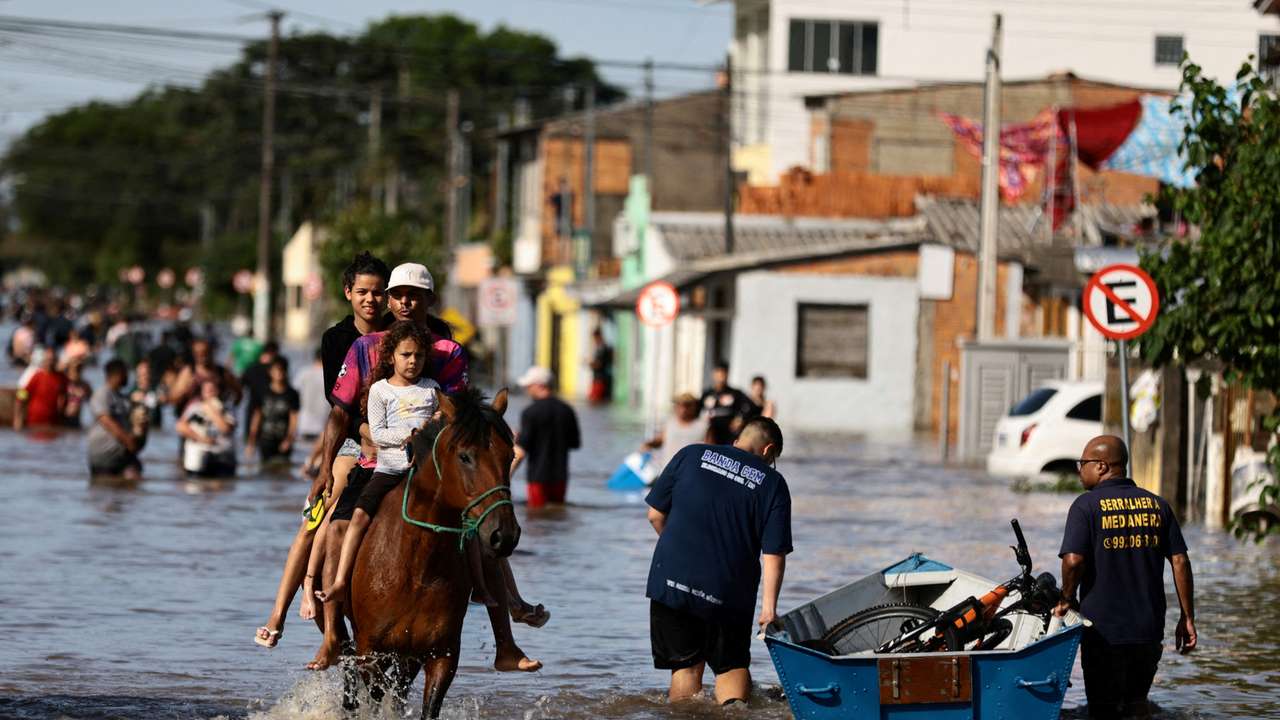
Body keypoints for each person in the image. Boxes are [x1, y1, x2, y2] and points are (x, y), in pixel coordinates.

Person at [301, 262, 544, 672]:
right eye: (398, 295)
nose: (405, 302)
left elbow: (456, 410)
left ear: (429, 300)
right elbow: (340, 412)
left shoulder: (448, 348)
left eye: (414, 295)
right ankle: (328, 632)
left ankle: (506, 641)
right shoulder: (364, 346)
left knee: (482, 527)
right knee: (330, 528)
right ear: (390, 301)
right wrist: (326, 468)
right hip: (374, 453)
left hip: (434, 462)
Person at [253, 251, 391, 656]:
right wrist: (326, 465)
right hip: (353, 440)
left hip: (398, 439)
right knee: (318, 517)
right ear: (348, 293)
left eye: (378, 292)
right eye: (363, 291)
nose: (371, 299)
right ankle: (278, 615)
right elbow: (341, 409)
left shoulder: (401, 334)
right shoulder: (336, 339)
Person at [645, 416, 791, 704]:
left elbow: (655, 515)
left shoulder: (691, 453)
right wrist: (769, 610)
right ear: (768, 450)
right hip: (728, 591)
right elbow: (774, 553)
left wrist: (683, 553)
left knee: (685, 669)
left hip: (671, 581)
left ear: (739, 438)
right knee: (731, 667)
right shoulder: (772, 483)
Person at [1055, 435, 1196, 720]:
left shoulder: (1086, 506)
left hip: (1102, 631)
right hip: (1148, 628)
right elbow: (1180, 561)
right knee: (1136, 705)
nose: (1079, 469)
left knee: (1103, 710)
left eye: (1083, 463)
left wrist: (1066, 599)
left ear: (1102, 466)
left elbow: (1073, 560)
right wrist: (1187, 617)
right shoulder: (1158, 506)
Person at [315, 322, 440, 605]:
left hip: (425, 472)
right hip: (388, 469)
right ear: (391, 356)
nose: (412, 361)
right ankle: (340, 581)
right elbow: (379, 434)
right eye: (406, 355)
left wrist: (430, 430)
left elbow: (442, 425)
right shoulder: (380, 391)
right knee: (357, 516)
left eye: (418, 356)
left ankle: (483, 587)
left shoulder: (432, 389)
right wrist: (412, 434)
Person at [512, 366, 580, 508]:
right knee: (557, 514)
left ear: (539, 385)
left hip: (537, 478)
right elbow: (575, 443)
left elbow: (520, 451)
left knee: (536, 517)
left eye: (529, 386)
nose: (527, 390)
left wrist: (505, 478)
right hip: (560, 477)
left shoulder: (530, 412)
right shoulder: (567, 410)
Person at [87, 359, 143, 479]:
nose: (128, 377)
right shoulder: (102, 394)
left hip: (121, 455)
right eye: (126, 373)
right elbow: (106, 421)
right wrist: (128, 441)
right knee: (107, 488)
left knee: (134, 476)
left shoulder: (121, 397)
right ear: (117, 375)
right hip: (104, 457)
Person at [177, 378, 237, 477]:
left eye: (212, 390)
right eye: (206, 390)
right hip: (199, 459)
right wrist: (200, 438)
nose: (209, 393)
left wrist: (212, 411)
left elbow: (226, 429)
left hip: (222, 459)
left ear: (218, 391)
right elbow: (180, 426)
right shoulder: (195, 407)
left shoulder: (228, 408)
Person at [247, 356, 300, 466]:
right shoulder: (262, 391)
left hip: (283, 439)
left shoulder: (292, 394)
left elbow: (294, 419)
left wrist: (289, 439)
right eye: (276, 370)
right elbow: (257, 417)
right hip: (265, 439)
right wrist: (251, 442)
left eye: (282, 370)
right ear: (270, 372)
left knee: (284, 469)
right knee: (265, 469)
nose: (279, 373)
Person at [642, 393, 709, 473]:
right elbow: (661, 440)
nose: (683, 409)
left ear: (694, 407)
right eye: (679, 405)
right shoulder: (670, 423)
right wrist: (648, 444)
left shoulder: (704, 426)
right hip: (668, 472)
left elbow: (710, 452)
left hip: (691, 475)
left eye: (687, 405)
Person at [699, 361, 755, 445]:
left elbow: (750, 406)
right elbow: (697, 409)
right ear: (714, 374)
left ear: (727, 374)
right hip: (710, 434)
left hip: (728, 434)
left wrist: (740, 418)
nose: (721, 377)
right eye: (718, 373)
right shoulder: (707, 394)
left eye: (723, 373)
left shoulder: (735, 393)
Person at [14, 347, 65, 430]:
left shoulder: (61, 378)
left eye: (52, 360)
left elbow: (66, 395)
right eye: (48, 360)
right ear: (44, 361)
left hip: (53, 423)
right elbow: (22, 394)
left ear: (56, 361)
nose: (50, 362)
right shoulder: (37, 376)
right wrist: (18, 418)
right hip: (34, 422)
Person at [586, 327, 613, 404]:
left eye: (595, 338)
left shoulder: (603, 348)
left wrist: (591, 363)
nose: (594, 340)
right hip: (596, 378)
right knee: (592, 400)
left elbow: (600, 364)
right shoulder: (598, 348)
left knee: (596, 401)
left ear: (599, 336)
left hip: (600, 379)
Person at [62, 361, 92, 428]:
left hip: (77, 418)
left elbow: (92, 402)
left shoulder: (85, 385)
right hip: (63, 418)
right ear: (69, 370)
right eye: (75, 369)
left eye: (79, 369)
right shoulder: (64, 383)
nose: (77, 372)